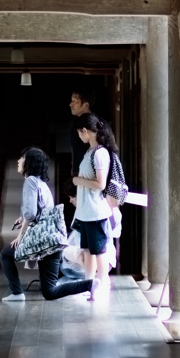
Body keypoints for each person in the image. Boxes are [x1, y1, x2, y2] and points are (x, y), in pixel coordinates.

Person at [0, 147, 95, 302]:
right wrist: (22, 218)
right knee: (49, 292)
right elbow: (39, 211)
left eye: (22, 158)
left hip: (41, 241)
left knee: (6, 254)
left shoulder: (30, 181)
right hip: (52, 242)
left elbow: (30, 214)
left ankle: (17, 293)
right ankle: (90, 285)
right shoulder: (41, 183)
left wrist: (20, 236)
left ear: (29, 162)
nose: (18, 161)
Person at [72, 113, 117, 300]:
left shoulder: (100, 153)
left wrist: (78, 180)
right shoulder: (90, 152)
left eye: (79, 133)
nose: (79, 137)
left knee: (99, 250)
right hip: (87, 211)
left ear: (85, 131)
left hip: (96, 211)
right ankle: (89, 284)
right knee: (89, 250)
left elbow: (100, 184)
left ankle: (102, 285)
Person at [69, 87, 95, 177]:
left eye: (75, 101)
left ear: (86, 105)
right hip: (80, 171)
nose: (70, 104)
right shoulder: (76, 123)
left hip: (91, 173)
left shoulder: (95, 125)